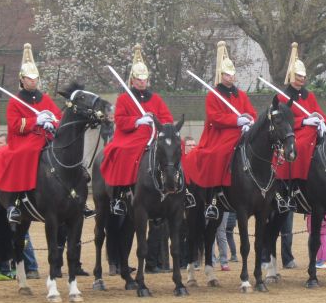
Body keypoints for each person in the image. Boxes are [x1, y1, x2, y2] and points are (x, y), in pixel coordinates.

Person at [0, 43, 63, 224]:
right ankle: (15, 199)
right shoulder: (15, 101)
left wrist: (51, 123)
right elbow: (14, 125)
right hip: (23, 139)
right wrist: (35, 121)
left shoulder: (45, 98)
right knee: (25, 152)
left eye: (35, 78)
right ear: (22, 79)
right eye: (29, 78)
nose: (33, 81)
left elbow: (58, 117)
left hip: (45, 136)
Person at [183, 41, 257, 220]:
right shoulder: (213, 95)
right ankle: (213, 197)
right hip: (219, 135)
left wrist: (249, 120)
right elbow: (215, 117)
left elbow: (251, 112)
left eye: (232, 74)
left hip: (241, 133)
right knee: (218, 154)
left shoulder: (242, 95)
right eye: (226, 74)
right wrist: (236, 120)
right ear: (221, 75)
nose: (230, 77)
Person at [101, 44, 174, 215]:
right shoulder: (124, 99)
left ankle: (179, 188)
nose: (142, 82)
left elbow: (168, 119)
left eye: (145, 79)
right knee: (124, 151)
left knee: (174, 149)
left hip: (154, 135)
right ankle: (120, 194)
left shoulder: (156, 99)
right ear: (132, 80)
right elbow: (119, 120)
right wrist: (138, 120)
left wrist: (156, 122)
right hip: (130, 136)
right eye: (139, 79)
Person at [276, 42, 326, 211]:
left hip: (313, 131)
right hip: (294, 133)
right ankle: (296, 183)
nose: (302, 79)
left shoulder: (309, 95)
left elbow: (319, 112)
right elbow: (283, 119)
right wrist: (303, 121)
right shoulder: (283, 97)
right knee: (301, 145)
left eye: (304, 77)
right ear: (292, 76)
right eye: (299, 76)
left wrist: (321, 121)